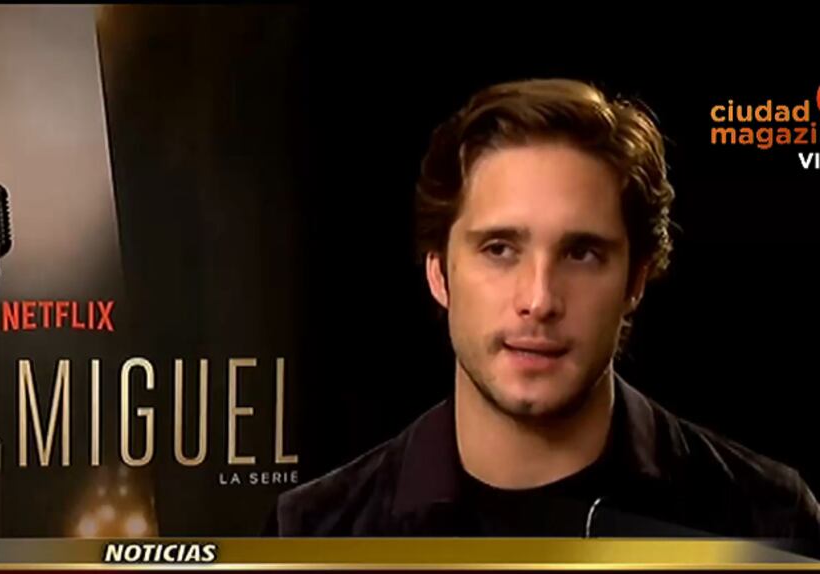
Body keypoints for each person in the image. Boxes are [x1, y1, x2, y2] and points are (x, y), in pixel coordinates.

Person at [271, 78, 820, 557]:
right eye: (499, 249)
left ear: (635, 281)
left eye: (581, 253)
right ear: (439, 275)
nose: (539, 300)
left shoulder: (765, 521)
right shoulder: (313, 535)